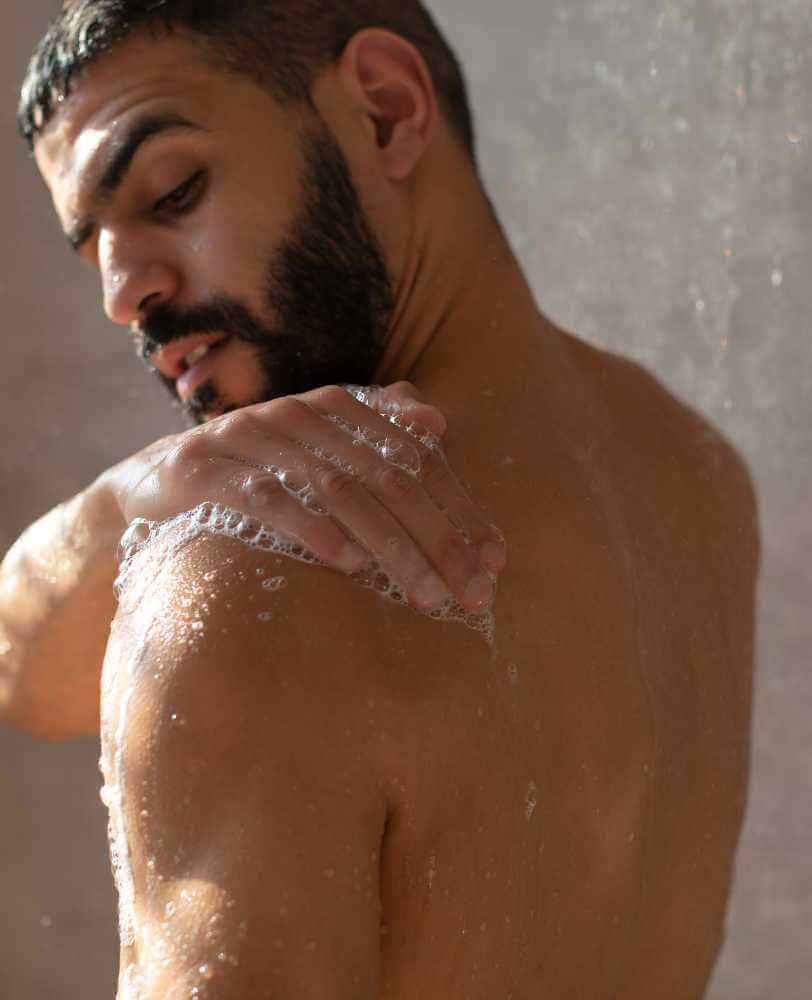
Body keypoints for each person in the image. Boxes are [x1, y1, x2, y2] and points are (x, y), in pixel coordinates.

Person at [2, 2, 760, 997]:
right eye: (92, 243)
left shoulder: (256, 572)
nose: (121, 291)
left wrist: (166, 534)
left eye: (172, 189)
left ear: (387, 111)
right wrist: (124, 503)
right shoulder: (695, 472)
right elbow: (26, 678)